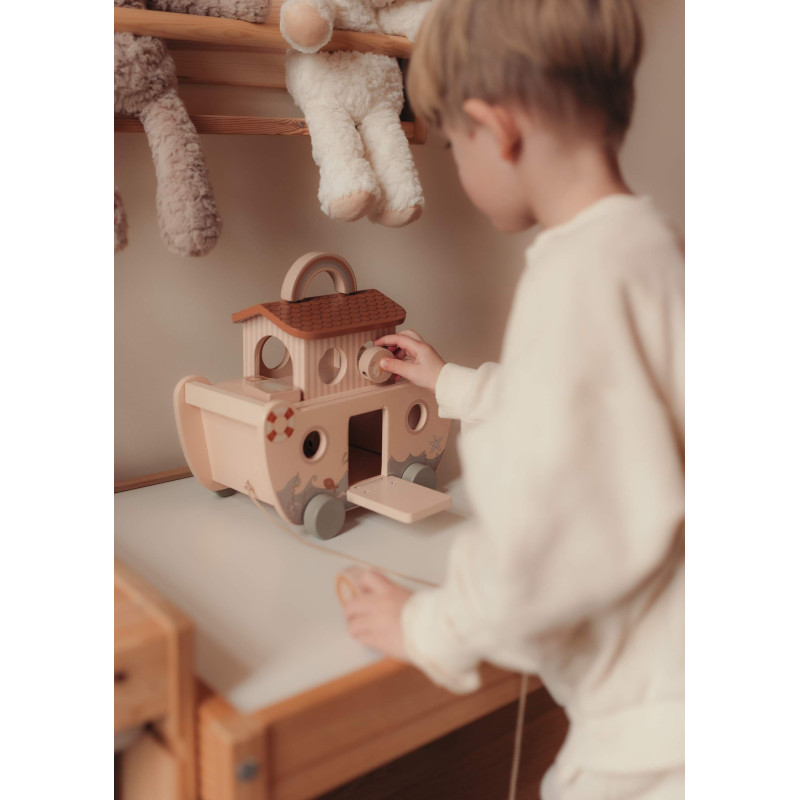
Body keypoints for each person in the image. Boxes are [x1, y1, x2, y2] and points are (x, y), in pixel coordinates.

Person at [341, 1, 685, 797]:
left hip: (647, 741)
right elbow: (610, 417)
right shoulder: (648, 250)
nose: (459, 170)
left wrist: (425, 626)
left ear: (497, 130)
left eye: (452, 145)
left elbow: (537, 546)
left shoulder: (575, 281)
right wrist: (452, 384)